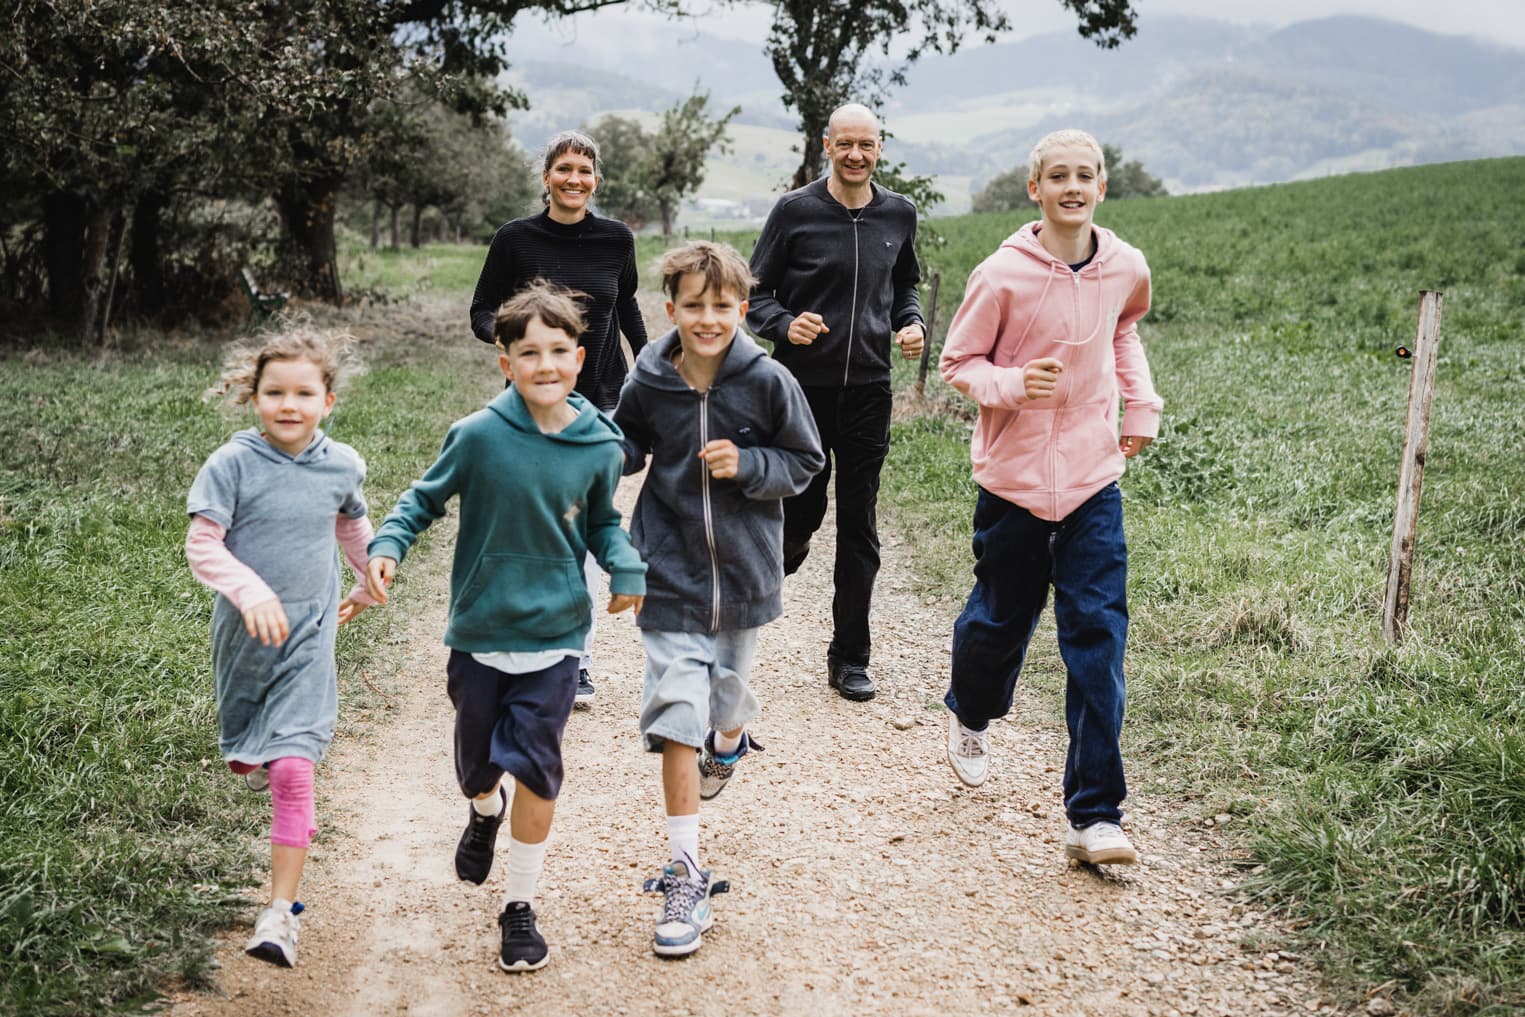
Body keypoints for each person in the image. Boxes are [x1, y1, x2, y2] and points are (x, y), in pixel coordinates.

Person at [367, 281, 646, 972]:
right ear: (504, 360)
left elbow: (604, 525)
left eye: (558, 350)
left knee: (541, 771)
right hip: (480, 631)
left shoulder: (599, 445)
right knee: (476, 767)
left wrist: (627, 570)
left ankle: (519, 906)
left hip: (555, 636)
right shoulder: (478, 436)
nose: (545, 364)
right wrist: (387, 546)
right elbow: (420, 500)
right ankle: (483, 810)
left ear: (579, 358)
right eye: (529, 352)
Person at [938, 129, 1162, 866]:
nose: (1072, 186)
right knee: (1000, 621)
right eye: (1057, 175)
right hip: (1014, 483)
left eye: (1085, 175)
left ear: (1102, 186)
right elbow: (957, 362)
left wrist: (1141, 408)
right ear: (1033, 189)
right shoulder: (1000, 274)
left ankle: (1094, 814)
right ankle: (970, 710)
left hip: (1095, 478)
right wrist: (1010, 385)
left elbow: (1122, 332)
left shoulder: (1124, 265)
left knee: (1096, 637)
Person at [613, 241, 824, 956]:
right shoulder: (649, 379)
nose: (708, 318)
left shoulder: (767, 381)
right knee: (677, 712)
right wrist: (585, 456)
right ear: (669, 309)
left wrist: (750, 464)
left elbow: (804, 461)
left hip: (742, 571)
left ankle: (728, 745)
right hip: (666, 569)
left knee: (726, 699)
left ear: (743, 309)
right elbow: (626, 442)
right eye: (693, 305)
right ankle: (686, 869)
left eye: (722, 306)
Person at [185, 326, 377, 968]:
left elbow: (351, 521)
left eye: (303, 393)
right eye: (274, 393)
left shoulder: (341, 464)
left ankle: (279, 914)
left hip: (310, 637)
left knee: (294, 767)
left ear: (328, 400)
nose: (288, 405)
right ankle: (267, 754)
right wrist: (250, 591)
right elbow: (203, 545)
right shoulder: (232, 464)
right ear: (254, 397)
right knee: (253, 752)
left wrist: (367, 573)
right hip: (245, 638)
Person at [746, 102, 925, 703]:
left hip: (870, 390)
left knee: (859, 523)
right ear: (828, 144)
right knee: (801, 510)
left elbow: (904, 285)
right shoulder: (795, 212)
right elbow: (754, 295)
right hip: (798, 390)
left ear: (879, 148)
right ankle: (784, 551)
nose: (855, 154)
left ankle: (850, 657)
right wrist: (784, 323)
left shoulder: (899, 213)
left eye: (866, 145)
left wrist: (911, 322)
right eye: (845, 143)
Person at [469, 129, 651, 708]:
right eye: (564, 169)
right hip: (528, 404)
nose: (574, 179)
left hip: (599, 400)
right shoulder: (514, 239)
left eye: (585, 170)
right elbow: (481, 310)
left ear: (596, 179)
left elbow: (626, 308)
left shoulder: (616, 240)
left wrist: (650, 369)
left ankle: (575, 664)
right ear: (546, 176)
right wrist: (516, 340)